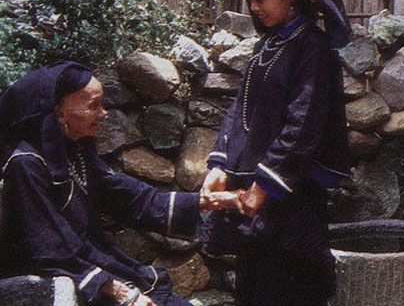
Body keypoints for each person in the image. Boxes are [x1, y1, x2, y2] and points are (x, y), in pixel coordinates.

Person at [0, 61, 242, 306]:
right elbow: (50, 248)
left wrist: (207, 201)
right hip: (75, 283)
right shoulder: (26, 166)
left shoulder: (74, 151)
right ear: (60, 113)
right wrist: (123, 294)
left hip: (102, 270)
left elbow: (130, 198)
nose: (103, 113)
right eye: (93, 105)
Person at [200, 0, 351, 306]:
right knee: (254, 285)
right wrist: (219, 164)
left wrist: (264, 186)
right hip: (257, 192)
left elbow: (303, 124)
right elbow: (240, 108)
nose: (254, 8)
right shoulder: (267, 46)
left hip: (291, 196)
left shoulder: (311, 48)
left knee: (290, 287)